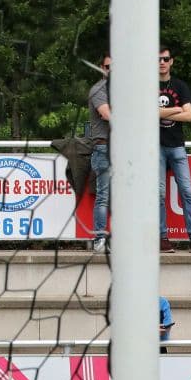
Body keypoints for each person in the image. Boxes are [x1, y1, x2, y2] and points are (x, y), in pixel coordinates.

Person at [157, 47, 191, 253]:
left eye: (165, 59)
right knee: (159, 194)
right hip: (156, 148)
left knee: (187, 192)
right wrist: (176, 109)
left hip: (177, 146)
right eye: (158, 59)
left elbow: (189, 116)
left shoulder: (180, 86)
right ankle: (162, 238)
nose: (162, 62)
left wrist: (162, 113)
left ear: (171, 61)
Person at [86, 54, 111, 252]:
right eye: (109, 66)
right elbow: (107, 115)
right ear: (101, 68)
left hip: (124, 150)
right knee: (103, 196)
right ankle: (99, 238)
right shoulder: (98, 90)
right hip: (104, 147)